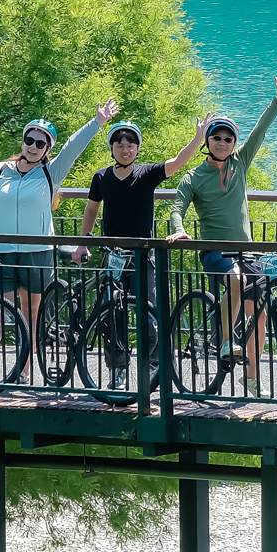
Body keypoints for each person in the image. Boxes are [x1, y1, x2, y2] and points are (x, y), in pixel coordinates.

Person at [0, 101, 115, 381]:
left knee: (32, 316)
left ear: (48, 149)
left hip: (39, 253)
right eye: (29, 140)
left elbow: (73, 147)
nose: (33, 146)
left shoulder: (50, 173)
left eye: (40, 143)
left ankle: (24, 371)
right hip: (3, 253)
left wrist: (97, 122)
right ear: (22, 141)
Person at [165, 76, 277, 387]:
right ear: (207, 142)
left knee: (260, 313)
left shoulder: (240, 163)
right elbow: (177, 208)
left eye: (228, 139)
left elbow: (260, 131)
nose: (222, 143)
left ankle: (251, 378)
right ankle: (225, 341)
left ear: (233, 143)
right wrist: (180, 230)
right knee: (235, 280)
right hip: (215, 252)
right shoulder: (194, 176)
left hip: (246, 251)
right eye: (216, 138)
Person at [71, 112, 202, 389]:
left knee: (150, 310)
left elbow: (178, 163)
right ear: (112, 148)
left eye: (131, 144)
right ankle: (117, 370)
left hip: (143, 254)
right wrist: (84, 240)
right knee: (112, 315)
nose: (125, 148)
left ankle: (156, 366)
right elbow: (92, 208)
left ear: (138, 148)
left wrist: (197, 137)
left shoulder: (146, 173)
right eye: (119, 144)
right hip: (113, 254)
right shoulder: (101, 177)